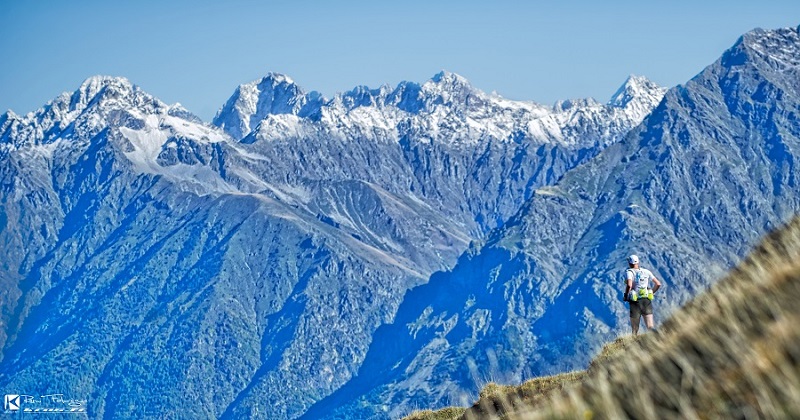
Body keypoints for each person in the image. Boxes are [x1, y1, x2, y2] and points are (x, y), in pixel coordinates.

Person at [623, 254, 661, 335]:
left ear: (630, 263)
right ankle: (658, 337)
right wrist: (651, 292)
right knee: (650, 326)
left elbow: (629, 285)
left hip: (635, 302)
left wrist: (626, 296)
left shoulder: (629, 272)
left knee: (634, 329)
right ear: (638, 262)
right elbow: (658, 284)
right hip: (647, 301)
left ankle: (635, 346)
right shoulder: (646, 271)